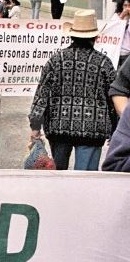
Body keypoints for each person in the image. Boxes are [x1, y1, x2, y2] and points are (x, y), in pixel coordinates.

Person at [28, 9, 115, 171]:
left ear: (72, 35)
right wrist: (115, 128)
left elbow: (41, 96)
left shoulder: (56, 60)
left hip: (58, 127)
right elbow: (113, 98)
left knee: (59, 176)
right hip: (93, 129)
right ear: (95, 37)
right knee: (85, 180)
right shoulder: (104, 63)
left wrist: (35, 126)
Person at [111, 0, 130, 68]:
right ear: (121, 6)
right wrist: (122, 16)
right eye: (125, 5)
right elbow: (112, 28)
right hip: (115, 52)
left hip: (127, 54)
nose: (127, 8)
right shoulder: (116, 16)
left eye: (129, 6)